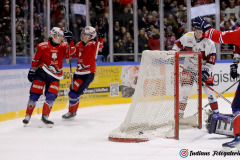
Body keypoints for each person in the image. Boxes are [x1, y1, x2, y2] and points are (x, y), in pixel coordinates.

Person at [193, 16, 240, 149]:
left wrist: (206, 27)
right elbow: (237, 48)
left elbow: (219, 37)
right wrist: (235, 64)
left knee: (237, 107)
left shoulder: (238, 32)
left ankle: (239, 137)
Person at [22, 27, 74, 127]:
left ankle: (45, 116)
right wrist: (32, 70)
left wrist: (71, 40)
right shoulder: (42, 46)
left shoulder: (63, 46)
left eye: (63, 36)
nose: (62, 38)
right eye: (60, 36)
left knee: (51, 96)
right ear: (53, 35)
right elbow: (36, 59)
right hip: (42, 73)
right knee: (34, 94)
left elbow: (70, 54)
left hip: (56, 75)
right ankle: (28, 115)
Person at [172, 25, 219, 119]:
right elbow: (176, 45)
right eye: (196, 32)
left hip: (203, 68)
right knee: (185, 91)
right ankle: (180, 115)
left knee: (209, 92)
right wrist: (172, 55)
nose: (198, 34)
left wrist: (205, 73)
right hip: (188, 67)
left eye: (200, 32)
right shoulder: (187, 36)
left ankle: (216, 114)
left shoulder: (209, 42)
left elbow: (211, 60)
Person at [62, 26, 105, 119]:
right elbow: (69, 55)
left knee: (74, 94)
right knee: (72, 92)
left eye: (85, 34)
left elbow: (100, 46)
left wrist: (102, 36)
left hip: (87, 74)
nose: (83, 35)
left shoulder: (93, 45)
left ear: (91, 36)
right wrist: (70, 41)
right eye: (83, 33)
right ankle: (72, 111)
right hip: (78, 72)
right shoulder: (79, 45)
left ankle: (71, 112)